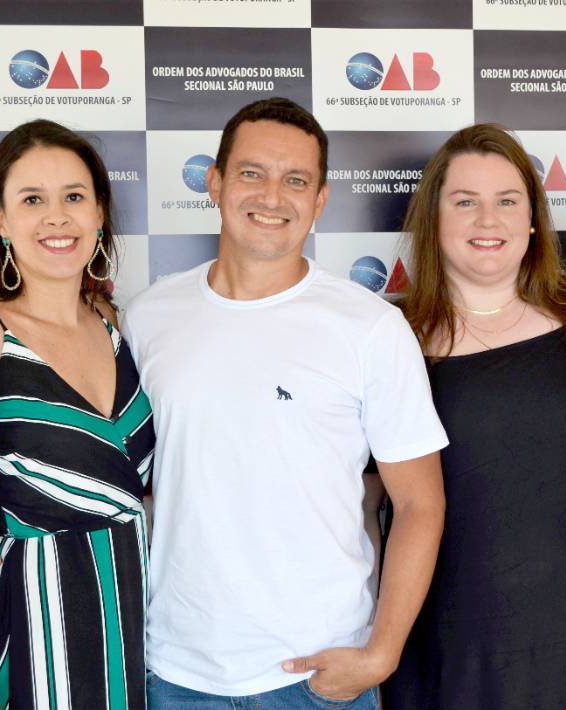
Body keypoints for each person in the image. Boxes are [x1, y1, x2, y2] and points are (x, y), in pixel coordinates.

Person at [124, 98, 448, 707]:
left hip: (317, 678)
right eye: (251, 173)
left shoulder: (369, 327)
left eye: (295, 180)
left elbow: (419, 502)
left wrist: (382, 654)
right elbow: (115, 477)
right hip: (173, 673)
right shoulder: (147, 318)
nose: (273, 196)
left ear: (319, 200)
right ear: (214, 182)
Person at [382, 124, 566, 709]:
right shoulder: (387, 339)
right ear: (434, 217)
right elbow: (363, 507)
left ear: (531, 217)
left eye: (506, 201)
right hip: (449, 653)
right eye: (465, 202)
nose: (487, 220)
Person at [0, 120, 155, 709]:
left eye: (74, 197)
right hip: (31, 657)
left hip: (136, 648)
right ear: (1, 221)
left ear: (99, 213)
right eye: (32, 199)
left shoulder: (114, 325)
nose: (57, 217)